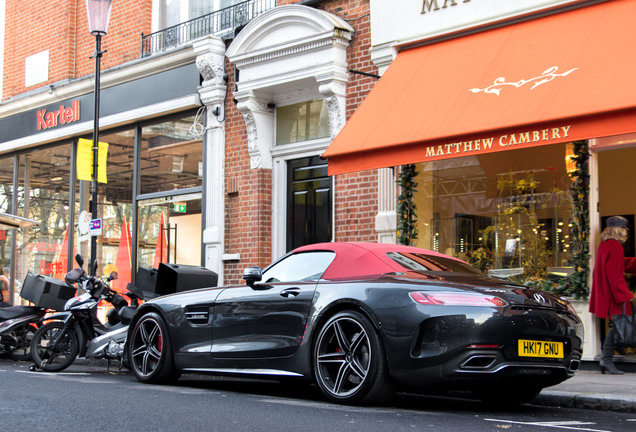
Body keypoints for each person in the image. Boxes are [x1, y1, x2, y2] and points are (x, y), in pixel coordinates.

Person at [589, 216, 636, 374]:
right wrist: (626, 294)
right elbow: (614, 274)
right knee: (618, 324)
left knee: (615, 324)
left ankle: (613, 353)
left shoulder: (605, 245)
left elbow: (619, 264)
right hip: (614, 293)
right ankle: (607, 358)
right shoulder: (615, 246)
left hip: (607, 291)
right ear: (620, 230)